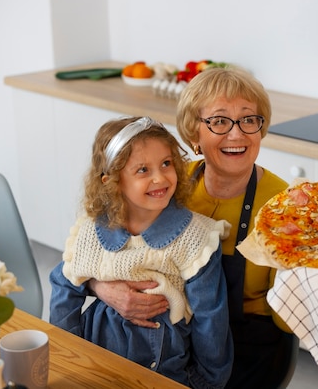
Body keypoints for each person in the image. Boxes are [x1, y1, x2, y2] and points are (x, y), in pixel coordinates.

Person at [89, 67, 296, 389]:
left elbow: (289, 316)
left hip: (248, 349)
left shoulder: (286, 207)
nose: (237, 133)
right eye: (219, 121)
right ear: (193, 133)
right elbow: (94, 248)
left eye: (248, 119)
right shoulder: (166, 181)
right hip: (169, 338)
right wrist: (100, 287)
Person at [49, 116, 234, 389]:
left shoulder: (195, 237)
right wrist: (68, 355)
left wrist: (206, 382)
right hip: (96, 362)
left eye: (166, 164)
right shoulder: (91, 231)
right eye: (142, 170)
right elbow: (64, 289)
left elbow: (211, 319)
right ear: (112, 182)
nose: (160, 177)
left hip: (165, 371)